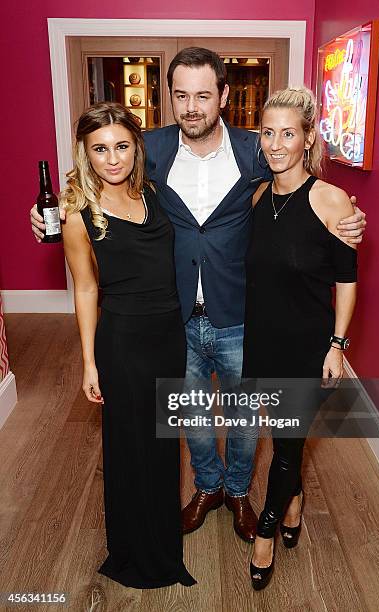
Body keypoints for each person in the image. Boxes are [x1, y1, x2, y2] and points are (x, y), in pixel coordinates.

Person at [30, 48, 366, 544]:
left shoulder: (257, 149)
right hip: (174, 316)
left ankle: (236, 491)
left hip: (240, 311)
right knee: (189, 413)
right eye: (181, 95)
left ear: (224, 97)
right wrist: (47, 224)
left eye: (203, 95)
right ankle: (207, 487)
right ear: (170, 98)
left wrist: (348, 215)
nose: (192, 106)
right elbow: (103, 195)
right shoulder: (149, 149)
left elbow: (300, 189)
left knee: (244, 414)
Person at [58, 102, 195, 589]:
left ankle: (163, 540)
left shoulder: (152, 194)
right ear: (86, 153)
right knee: (128, 446)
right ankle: (135, 551)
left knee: (162, 443)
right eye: (99, 149)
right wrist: (89, 362)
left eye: (121, 146)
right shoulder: (78, 213)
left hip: (168, 336)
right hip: (123, 340)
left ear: (136, 148)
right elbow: (86, 288)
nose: (112, 158)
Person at [243, 87, 357, 590]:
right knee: (282, 437)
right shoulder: (258, 197)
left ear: (307, 137)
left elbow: (348, 282)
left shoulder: (332, 200)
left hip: (306, 345)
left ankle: (266, 531)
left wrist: (338, 346)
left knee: (287, 446)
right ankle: (293, 500)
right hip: (262, 340)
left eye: (288, 133)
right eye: (268, 132)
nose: (276, 144)